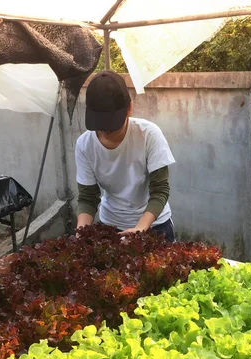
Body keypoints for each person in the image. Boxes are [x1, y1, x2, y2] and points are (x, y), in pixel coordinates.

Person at [74, 70, 176, 242]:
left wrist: (140, 228)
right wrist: (80, 233)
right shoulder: (84, 145)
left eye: (112, 125)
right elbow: (87, 197)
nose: (106, 131)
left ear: (129, 108)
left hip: (154, 226)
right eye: (100, 125)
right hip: (110, 226)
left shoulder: (149, 135)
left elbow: (160, 190)